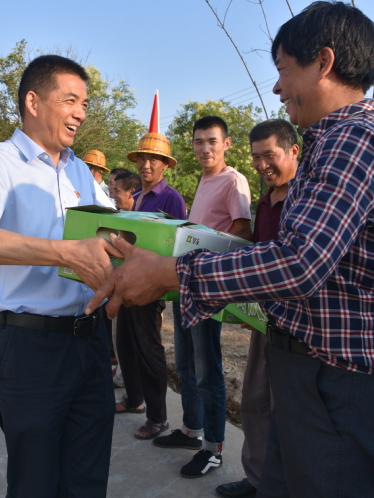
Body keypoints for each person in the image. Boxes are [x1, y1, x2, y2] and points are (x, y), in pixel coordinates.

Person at [88, 1, 374, 498]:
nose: (277, 88)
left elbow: (300, 261)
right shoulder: (343, 139)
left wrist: (171, 272)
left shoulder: (353, 138)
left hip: (342, 380)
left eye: (283, 70)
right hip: (320, 373)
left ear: (323, 62)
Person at [0, 55, 119, 498]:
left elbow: (114, 232)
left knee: (87, 481)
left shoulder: (80, 171)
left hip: (91, 343)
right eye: (70, 100)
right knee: (35, 483)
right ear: (33, 101)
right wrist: (64, 252)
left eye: (85, 104)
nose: (81, 113)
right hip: (31, 349)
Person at [151, 116, 252, 479]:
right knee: (186, 365)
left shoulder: (234, 180)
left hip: (208, 290)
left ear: (226, 144)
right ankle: (192, 431)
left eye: (212, 141)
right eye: (198, 142)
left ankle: (213, 448)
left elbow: (242, 234)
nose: (205, 148)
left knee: (208, 370)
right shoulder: (206, 179)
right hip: (185, 285)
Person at [216, 119, 299, 498]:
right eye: (256, 158)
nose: (263, 165)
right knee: (254, 401)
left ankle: (282, 485)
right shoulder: (265, 201)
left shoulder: (307, 198)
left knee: (290, 414)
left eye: (270, 156)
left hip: (300, 327)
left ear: (293, 151)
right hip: (267, 320)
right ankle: (257, 479)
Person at [114, 131, 186, 441]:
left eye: (154, 159)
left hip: (150, 285)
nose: (146, 164)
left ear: (165, 165)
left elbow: (176, 246)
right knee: (126, 344)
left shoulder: (171, 198)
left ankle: (158, 417)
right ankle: (134, 400)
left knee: (148, 348)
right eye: (142, 158)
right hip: (129, 281)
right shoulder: (139, 197)